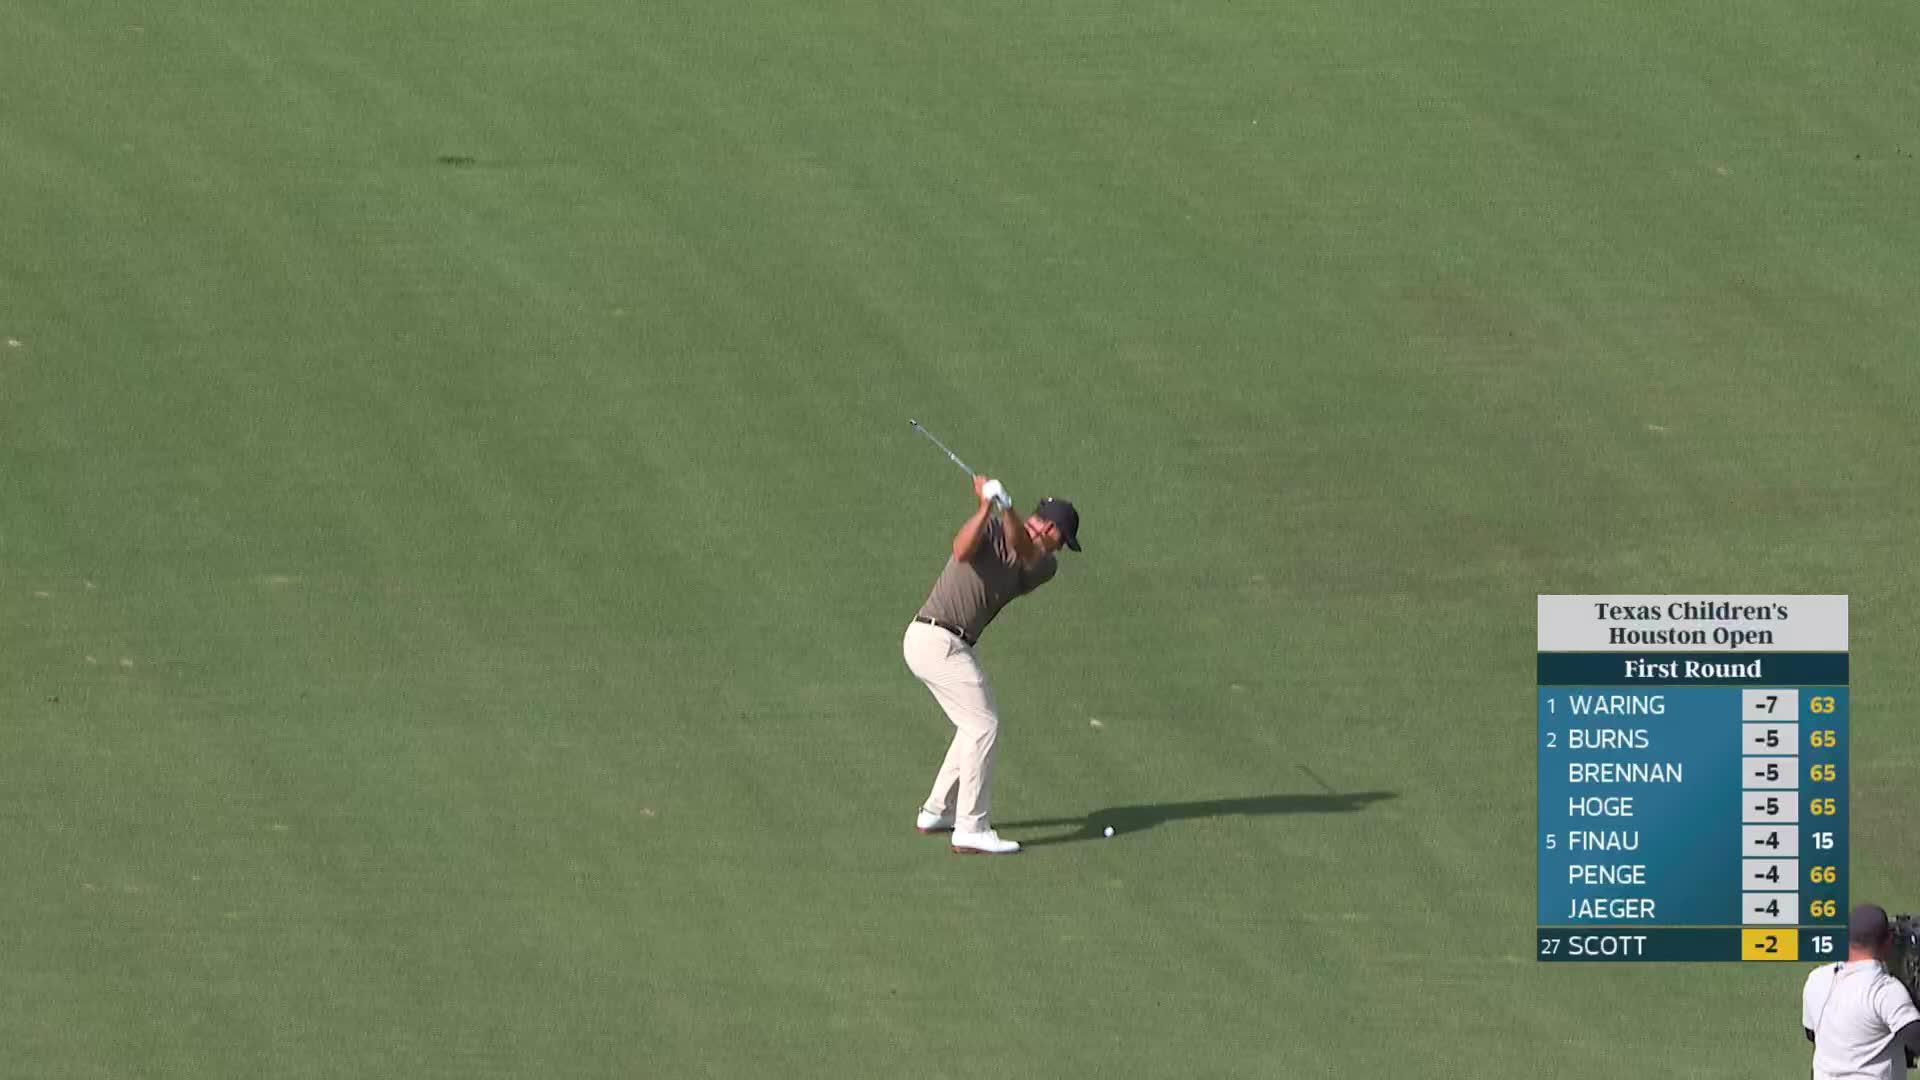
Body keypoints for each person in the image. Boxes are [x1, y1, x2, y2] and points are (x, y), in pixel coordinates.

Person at [903, 475, 1079, 855]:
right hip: (933, 639)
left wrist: (1006, 506)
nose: (1060, 549)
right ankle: (971, 826)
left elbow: (1023, 548)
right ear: (1052, 529)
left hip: (954, 644)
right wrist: (985, 507)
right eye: (1063, 541)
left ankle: (938, 810)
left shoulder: (1043, 565)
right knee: (984, 725)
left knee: (974, 724)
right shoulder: (993, 528)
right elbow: (961, 550)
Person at [1804, 903, 1920, 1080]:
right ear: (1887, 941)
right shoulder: (1886, 991)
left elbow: (1812, 1033)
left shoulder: (1816, 979)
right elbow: (1916, 1039)